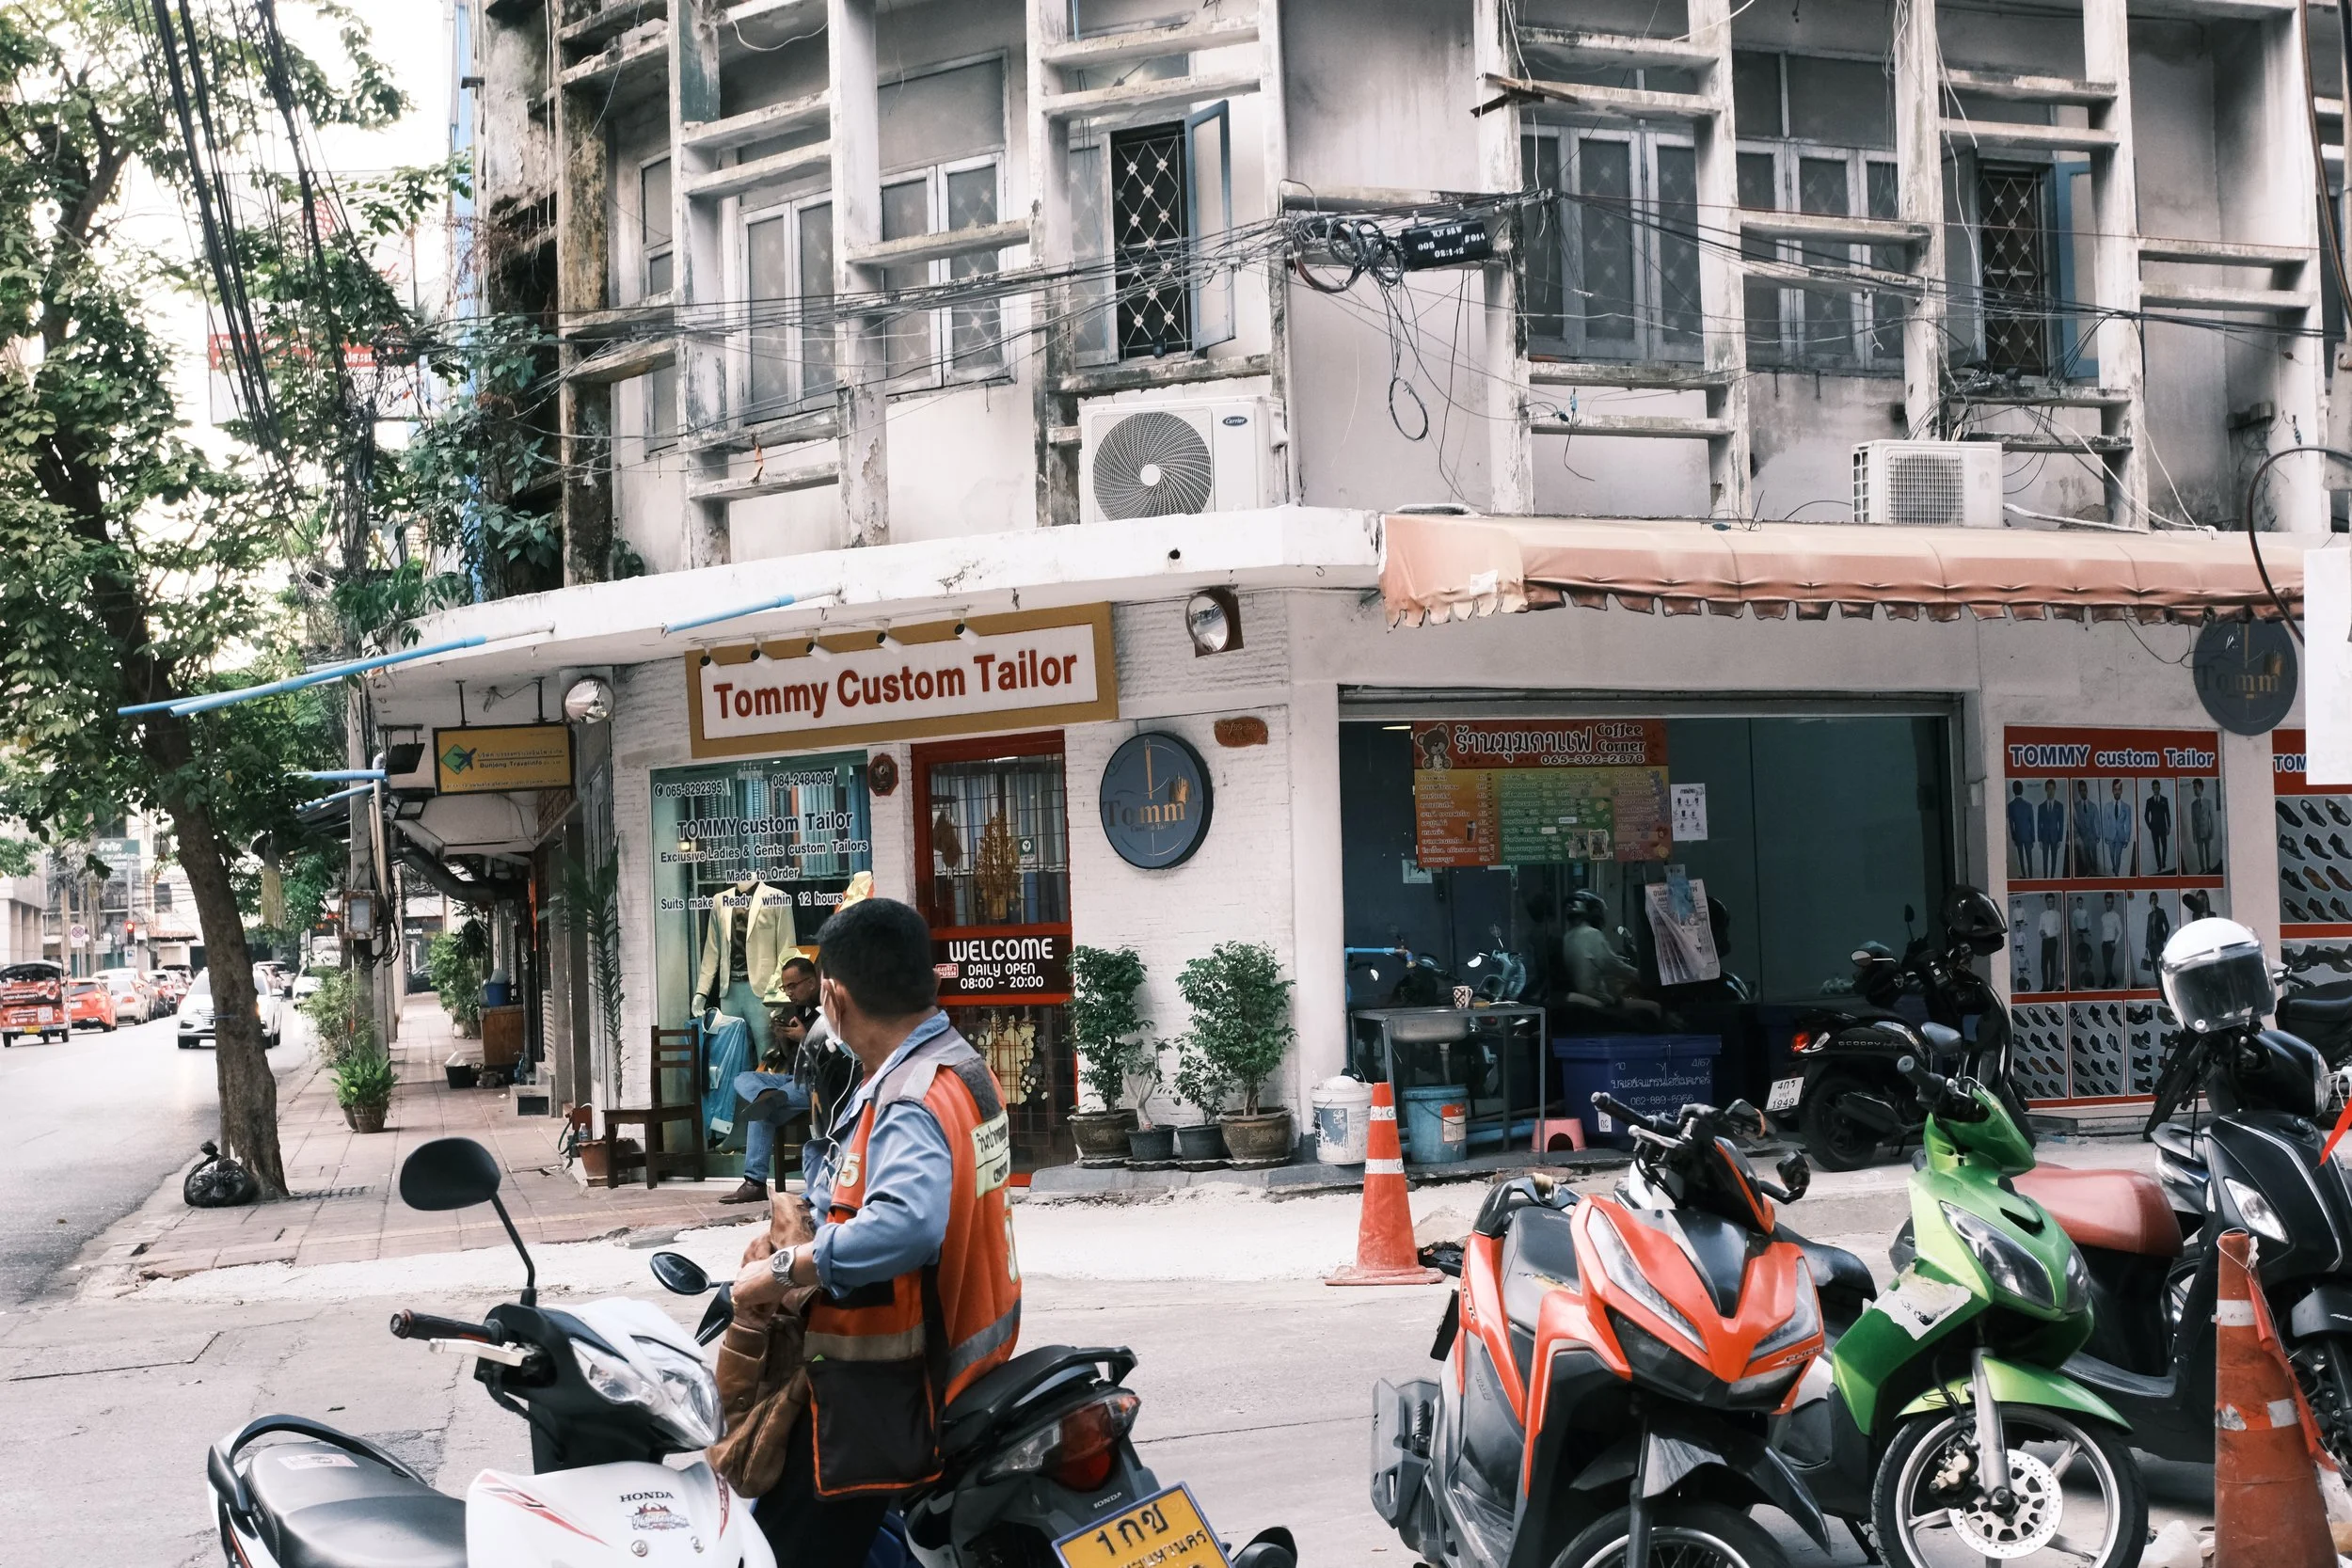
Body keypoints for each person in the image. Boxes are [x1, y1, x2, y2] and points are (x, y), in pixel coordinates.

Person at [728, 897, 1021, 1568]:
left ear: (832, 995)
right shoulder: (961, 1069)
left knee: (782, 1550)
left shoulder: (909, 1097)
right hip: (963, 1358)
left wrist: (783, 1270)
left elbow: (908, 1224)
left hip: (889, 1389)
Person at [720, 956, 820, 1205]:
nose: (789, 993)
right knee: (744, 1079)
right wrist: (784, 1038)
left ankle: (754, 1182)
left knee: (762, 1111)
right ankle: (765, 1096)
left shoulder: (829, 1011)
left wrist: (806, 1037)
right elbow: (789, 1057)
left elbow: (840, 1054)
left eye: (793, 986)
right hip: (790, 1080)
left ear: (811, 982)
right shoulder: (796, 1010)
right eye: (786, 988)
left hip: (817, 1084)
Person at [2102, 780, 2134, 877]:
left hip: (2120, 836)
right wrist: (2105, 835)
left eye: (2119, 789)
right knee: (2112, 854)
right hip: (2110, 836)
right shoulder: (2107, 806)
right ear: (2112, 790)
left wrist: (2127, 838)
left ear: (2121, 790)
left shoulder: (2126, 807)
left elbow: (2128, 823)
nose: (2117, 792)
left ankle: (2116, 872)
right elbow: (2105, 822)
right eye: (2115, 789)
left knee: (2118, 855)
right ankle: (2113, 866)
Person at [2036, 780, 2066, 879]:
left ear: (2055, 790)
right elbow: (2038, 824)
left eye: (2053, 789)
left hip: (2055, 837)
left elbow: (2061, 823)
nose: (2051, 791)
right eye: (2049, 788)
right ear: (2045, 790)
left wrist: (2060, 839)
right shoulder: (2041, 807)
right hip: (2044, 837)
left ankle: (2052, 876)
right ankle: (2045, 877)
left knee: (2054, 858)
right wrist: (2039, 839)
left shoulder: (2060, 806)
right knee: (2045, 859)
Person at [2070, 781, 2100, 878]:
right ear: (2079, 791)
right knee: (2087, 858)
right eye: (2081, 790)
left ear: (2087, 790)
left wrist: (2097, 835)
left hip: (2092, 837)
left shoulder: (2093, 806)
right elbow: (2075, 821)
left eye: (2084, 790)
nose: (2083, 792)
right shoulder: (2076, 807)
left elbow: (2097, 822)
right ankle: (2089, 874)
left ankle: (2095, 874)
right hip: (2083, 838)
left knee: (2094, 857)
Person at [2006, 782, 2035, 879]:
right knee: (2029, 858)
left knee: (2021, 858)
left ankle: (2024, 875)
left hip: (2018, 835)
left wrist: (2013, 836)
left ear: (2014, 791)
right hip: (2027, 835)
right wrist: (2033, 838)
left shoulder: (2010, 806)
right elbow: (2032, 824)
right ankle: (2030, 877)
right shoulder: (2028, 805)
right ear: (2022, 790)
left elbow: (2011, 824)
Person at [2189, 778, 2217, 875]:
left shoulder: (2208, 802)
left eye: (2195, 787)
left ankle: (2208, 866)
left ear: (2201, 788)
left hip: (2207, 832)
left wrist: (2212, 833)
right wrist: (2194, 836)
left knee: (2208, 851)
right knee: (2200, 853)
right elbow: (2193, 821)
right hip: (2198, 834)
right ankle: (2202, 868)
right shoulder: (2193, 805)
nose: (2194, 789)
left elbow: (2212, 819)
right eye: (2193, 788)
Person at [2144, 780, 2173, 873]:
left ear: (2160, 788)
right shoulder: (2149, 801)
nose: (2156, 790)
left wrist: (2169, 826)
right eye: (2154, 788)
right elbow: (2146, 815)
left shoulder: (2165, 800)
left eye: (2158, 788)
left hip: (2163, 827)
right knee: (2156, 847)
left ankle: (2164, 861)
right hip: (2154, 829)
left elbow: (2167, 814)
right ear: (2152, 789)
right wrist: (2150, 826)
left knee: (2164, 845)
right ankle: (2159, 865)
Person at [2039, 893, 2062, 993]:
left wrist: (2049, 935)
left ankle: (2052, 986)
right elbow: (2040, 928)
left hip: (2053, 941)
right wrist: (2041, 932)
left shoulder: (2057, 914)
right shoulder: (2042, 915)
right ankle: (2045, 986)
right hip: (2045, 942)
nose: (2051, 904)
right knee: (2043, 964)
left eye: (2052, 902)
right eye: (2049, 902)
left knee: (2052, 964)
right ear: (2046, 902)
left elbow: (2059, 930)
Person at [2099, 892, 2122, 989]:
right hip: (2104, 944)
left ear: (2113, 903)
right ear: (2105, 902)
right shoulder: (2103, 916)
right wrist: (2102, 942)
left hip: (2111, 944)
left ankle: (2106, 982)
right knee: (2106, 966)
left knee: (2108, 965)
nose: (2109, 904)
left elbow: (2120, 931)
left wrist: (2115, 943)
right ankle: (2112, 980)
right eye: (2108, 902)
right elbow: (2104, 931)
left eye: (2111, 902)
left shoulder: (2116, 916)